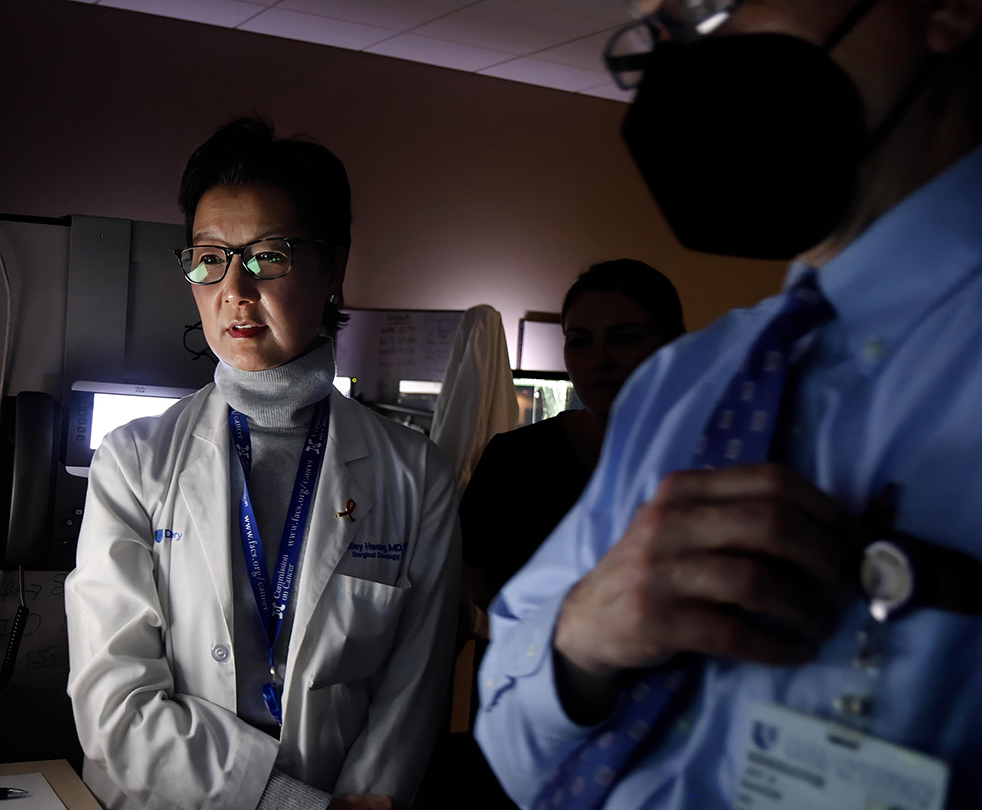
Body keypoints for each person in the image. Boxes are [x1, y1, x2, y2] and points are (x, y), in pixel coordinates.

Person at [476, 0, 982, 808]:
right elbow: (505, 719)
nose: (683, 61)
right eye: (659, 27)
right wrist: (585, 638)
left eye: (715, 3)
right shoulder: (684, 388)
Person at [66, 117, 461, 810]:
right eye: (209, 256)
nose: (234, 290)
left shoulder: (415, 474)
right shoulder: (134, 463)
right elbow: (112, 701)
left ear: (333, 266)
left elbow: (414, 690)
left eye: (268, 254)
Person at [463, 259, 684, 608]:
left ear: (674, 346)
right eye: (579, 341)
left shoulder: (710, 460)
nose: (600, 359)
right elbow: (485, 594)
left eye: (625, 338)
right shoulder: (515, 459)